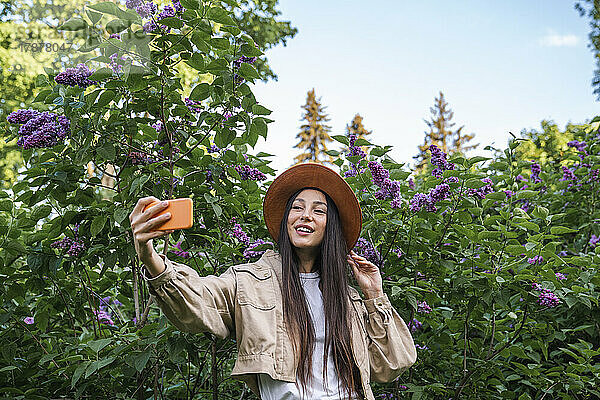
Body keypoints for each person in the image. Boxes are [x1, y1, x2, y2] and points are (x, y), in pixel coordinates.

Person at [129, 163, 417, 400]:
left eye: (318, 210)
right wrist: (150, 256)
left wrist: (374, 295)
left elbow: (392, 364)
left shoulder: (350, 300)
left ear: (331, 227)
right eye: (297, 207)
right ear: (286, 220)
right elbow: (198, 302)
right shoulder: (250, 283)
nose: (305, 215)